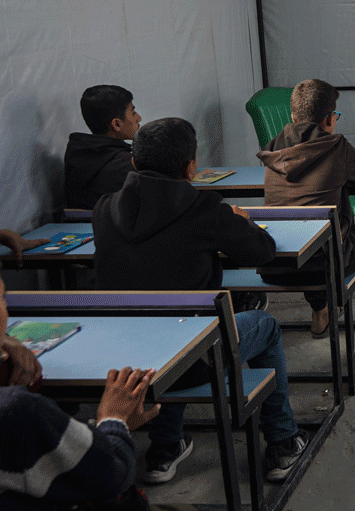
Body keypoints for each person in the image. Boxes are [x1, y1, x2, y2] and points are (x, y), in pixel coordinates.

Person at [92, 117, 308, 484]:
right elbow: (262, 252)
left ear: (133, 162)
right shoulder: (203, 209)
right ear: (191, 166)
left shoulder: (104, 209)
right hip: (190, 359)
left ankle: (164, 449)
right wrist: (240, 220)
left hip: (125, 360)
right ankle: (283, 440)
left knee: (175, 325)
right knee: (262, 325)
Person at [0, 243, 160, 510]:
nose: (6, 309)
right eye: (2, 298)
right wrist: (114, 419)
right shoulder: (17, 414)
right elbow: (112, 477)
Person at [257, 79, 355, 358]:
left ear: (293, 117)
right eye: (334, 115)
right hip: (323, 263)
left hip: (276, 261)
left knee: (305, 230)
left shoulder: (273, 147)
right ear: (328, 119)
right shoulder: (336, 147)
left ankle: (320, 312)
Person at [63, 85, 141, 209]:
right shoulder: (129, 165)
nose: (139, 118)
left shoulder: (77, 156)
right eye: (133, 112)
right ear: (116, 124)